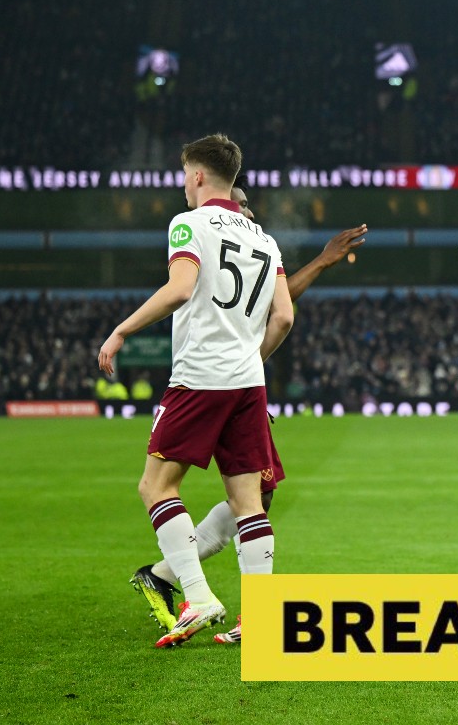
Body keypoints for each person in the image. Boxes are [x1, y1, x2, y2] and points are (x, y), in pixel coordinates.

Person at [129, 175, 368, 644]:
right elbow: (278, 312)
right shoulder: (232, 236)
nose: (251, 215)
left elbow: (273, 306)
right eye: (246, 207)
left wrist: (320, 261)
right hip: (227, 380)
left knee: (260, 493)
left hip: (230, 382)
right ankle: (182, 582)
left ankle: (166, 576)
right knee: (246, 496)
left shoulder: (229, 236)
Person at [99, 134, 293, 648]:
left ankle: (198, 596)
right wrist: (252, 357)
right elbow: (285, 316)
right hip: (248, 382)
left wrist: (121, 329)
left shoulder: (189, 224)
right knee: (248, 502)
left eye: (186, 174)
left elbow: (181, 288)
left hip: (200, 376)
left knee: (156, 486)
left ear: (200, 175)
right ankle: (262, 619)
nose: (184, 184)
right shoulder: (264, 239)